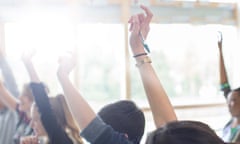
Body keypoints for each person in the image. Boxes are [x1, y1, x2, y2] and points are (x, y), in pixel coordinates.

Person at [20, 50, 83, 144]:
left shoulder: (62, 140)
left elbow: (44, 107)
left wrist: (29, 65)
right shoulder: (51, 140)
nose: (31, 125)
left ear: (54, 120)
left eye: (36, 120)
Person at [0, 51, 33, 144]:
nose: (20, 97)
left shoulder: (38, 126)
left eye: (25, 95)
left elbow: (6, 84)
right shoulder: (22, 115)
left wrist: (2, 59)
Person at [218, 31, 240, 143]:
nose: (230, 105)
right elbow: (224, 84)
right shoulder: (230, 123)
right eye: (229, 101)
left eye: (235, 101)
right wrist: (220, 50)